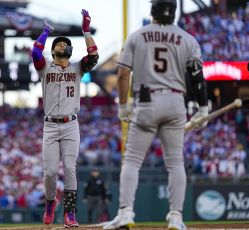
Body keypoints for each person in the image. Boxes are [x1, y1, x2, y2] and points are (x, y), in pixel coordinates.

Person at [103, 0, 208, 230]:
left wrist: (123, 106)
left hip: (147, 101)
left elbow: (122, 75)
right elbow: (198, 78)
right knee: (175, 163)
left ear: (153, 11)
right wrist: (203, 109)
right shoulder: (189, 39)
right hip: (175, 101)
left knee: (131, 161)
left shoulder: (137, 35)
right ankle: (176, 217)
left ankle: (126, 213)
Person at [32, 9, 99, 228]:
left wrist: (86, 30)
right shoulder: (44, 68)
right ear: (52, 50)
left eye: (64, 44)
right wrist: (45, 33)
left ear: (69, 49)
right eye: (57, 44)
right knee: (50, 172)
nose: (60, 45)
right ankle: (50, 203)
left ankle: (70, 214)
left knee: (70, 168)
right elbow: (35, 53)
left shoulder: (78, 67)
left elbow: (94, 55)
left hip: (71, 124)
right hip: (50, 125)